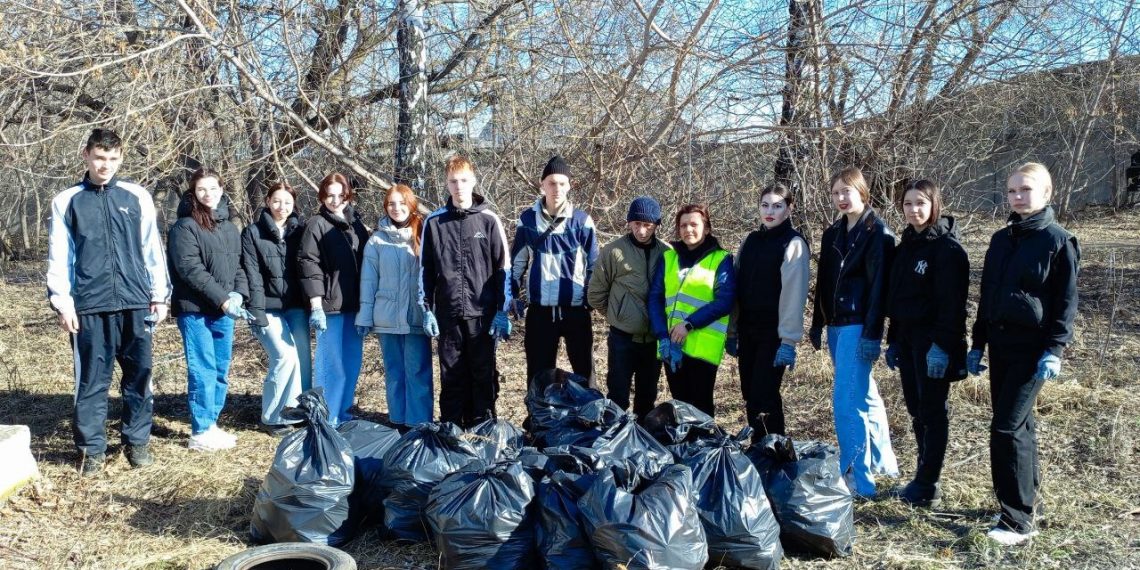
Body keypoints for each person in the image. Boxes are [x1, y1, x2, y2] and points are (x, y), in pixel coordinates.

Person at [47, 128, 171, 474]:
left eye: (113, 159)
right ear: (86, 155)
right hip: (89, 306)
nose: (106, 166)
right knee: (91, 381)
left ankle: (137, 442)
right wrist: (64, 303)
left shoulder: (137, 196)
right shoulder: (66, 201)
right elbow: (59, 255)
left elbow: (152, 249)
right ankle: (92, 451)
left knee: (140, 375)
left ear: (120, 158)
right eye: (100, 158)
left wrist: (159, 295)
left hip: (135, 301)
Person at [969, 163, 1079, 546]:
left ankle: (1016, 521)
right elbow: (988, 296)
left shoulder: (1058, 240)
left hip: (1033, 352)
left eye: (1026, 190)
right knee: (1021, 426)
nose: (1017, 196)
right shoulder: (1001, 239)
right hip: (1000, 345)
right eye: (1012, 189)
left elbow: (1066, 303)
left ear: (1046, 193)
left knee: (1006, 427)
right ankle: (1027, 502)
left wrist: (1055, 350)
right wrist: (977, 343)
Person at [809, 166, 899, 498]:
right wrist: (818, 322)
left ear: (862, 192)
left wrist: (873, 334)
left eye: (847, 191)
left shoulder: (878, 233)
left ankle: (857, 479)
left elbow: (879, 290)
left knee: (846, 401)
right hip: (835, 324)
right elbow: (823, 282)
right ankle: (883, 463)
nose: (841, 198)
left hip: (858, 325)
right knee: (865, 394)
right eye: (835, 193)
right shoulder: (833, 232)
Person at [884, 179, 969, 508]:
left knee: (933, 412)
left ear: (935, 205)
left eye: (921, 203)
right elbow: (897, 298)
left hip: (934, 342)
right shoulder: (904, 247)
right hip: (906, 340)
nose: (914, 209)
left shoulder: (947, 249)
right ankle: (922, 472)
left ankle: (928, 482)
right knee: (916, 410)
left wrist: (942, 346)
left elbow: (954, 305)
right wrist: (893, 340)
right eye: (907, 203)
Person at [419, 156, 512, 428]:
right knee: (451, 375)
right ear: (446, 184)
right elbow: (424, 270)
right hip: (447, 314)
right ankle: (451, 429)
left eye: (463, 180)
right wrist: (426, 309)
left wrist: (502, 311)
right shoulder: (434, 223)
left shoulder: (489, 220)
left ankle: (482, 428)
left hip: (482, 315)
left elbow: (503, 269)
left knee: (482, 373)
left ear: (473, 181)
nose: (458, 186)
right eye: (453, 181)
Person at [168, 168, 250, 451]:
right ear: (193, 192)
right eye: (202, 189)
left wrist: (239, 293)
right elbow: (190, 269)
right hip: (195, 310)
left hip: (223, 309)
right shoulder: (185, 226)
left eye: (213, 188)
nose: (208, 194)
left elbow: (239, 265)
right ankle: (200, 430)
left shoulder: (228, 227)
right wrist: (222, 298)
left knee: (220, 369)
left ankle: (212, 423)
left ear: (221, 189)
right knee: (202, 369)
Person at [730, 183, 810, 440]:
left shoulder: (793, 243)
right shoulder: (751, 240)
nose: (770, 211)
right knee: (749, 394)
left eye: (777, 206)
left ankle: (774, 454)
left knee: (765, 395)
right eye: (765, 205)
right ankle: (759, 449)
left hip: (773, 334)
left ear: (789, 208)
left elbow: (793, 296)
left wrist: (788, 340)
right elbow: (737, 286)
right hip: (748, 330)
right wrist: (732, 331)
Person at [510, 155, 599, 384]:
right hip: (540, 311)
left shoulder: (581, 221)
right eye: (551, 182)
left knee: (585, 373)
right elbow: (517, 264)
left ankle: (590, 418)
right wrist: (511, 296)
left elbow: (594, 265)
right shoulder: (527, 220)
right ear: (542, 185)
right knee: (538, 375)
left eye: (561, 183)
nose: (556, 188)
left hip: (575, 311)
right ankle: (539, 419)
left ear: (570, 185)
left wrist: (589, 299)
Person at [356, 184, 433, 430]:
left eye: (401, 203)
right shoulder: (376, 241)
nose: (396, 208)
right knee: (394, 372)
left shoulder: (425, 233)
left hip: (416, 317)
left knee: (418, 372)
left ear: (411, 204)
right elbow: (368, 282)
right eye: (391, 203)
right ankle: (398, 421)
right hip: (386, 318)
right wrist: (364, 317)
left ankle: (419, 424)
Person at [648, 204, 736, 417]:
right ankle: (685, 450)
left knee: (701, 408)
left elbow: (724, 301)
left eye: (694, 224)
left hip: (702, 348)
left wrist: (689, 324)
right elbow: (655, 297)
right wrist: (662, 336)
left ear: (706, 228)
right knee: (680, 406)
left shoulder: (721, 259)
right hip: (672, 346)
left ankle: (706, 449)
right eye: (683, 225)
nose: (688, 229)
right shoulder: (669, 258)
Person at [588, 196, 670, 418]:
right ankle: (615, 441)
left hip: (654, 339)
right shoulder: (613, 251)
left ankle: (643, 440)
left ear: (656, 225)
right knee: (617, 395)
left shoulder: (667, 253)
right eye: (636, 224)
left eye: (647, 225)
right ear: (629, 223)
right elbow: (596, 294)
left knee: (647, 396)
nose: (641, 231)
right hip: (622, 338)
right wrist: (617, 315)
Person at [298, 172, 369, 426]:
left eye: (341, 195)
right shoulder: (316, 224)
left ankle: (344, 412)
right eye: (330, 195)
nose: (336, 200)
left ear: (348, 195)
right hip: (329, 307)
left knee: (351, 362)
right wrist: (316, 303)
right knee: (331, 365)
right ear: (322, 195)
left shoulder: (355, 223)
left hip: (355, 306)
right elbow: (309, 264)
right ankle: (326, 418)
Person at [241, 182, 312, 437]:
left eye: (288, 202)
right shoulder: (252, 233)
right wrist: (256, 312)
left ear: (294, 205)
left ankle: (300, 411)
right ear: (268, 201)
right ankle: (272, 416)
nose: (282, 207)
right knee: (284, 355)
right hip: (267, 307)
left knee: (302, 356)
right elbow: (252, 275)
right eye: (277, 201)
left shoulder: (301, 230)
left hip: (295, 306)